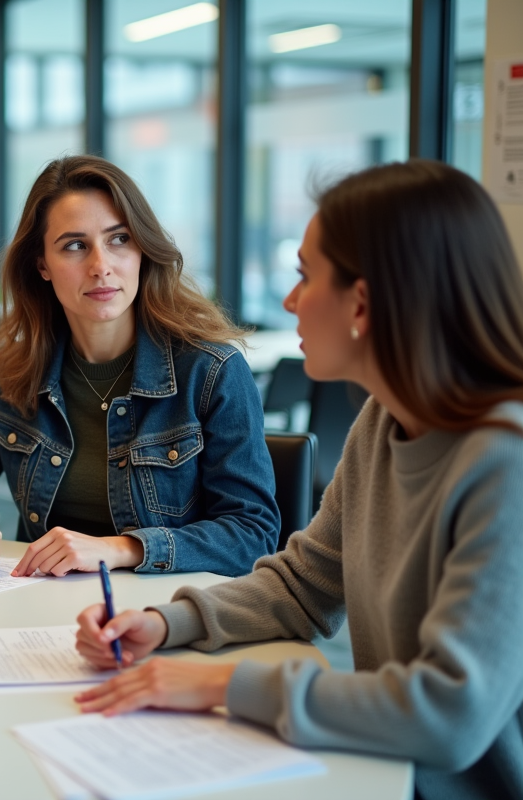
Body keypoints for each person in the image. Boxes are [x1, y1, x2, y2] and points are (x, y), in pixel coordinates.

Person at [74, 160, 523, 799]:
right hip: (377, 766)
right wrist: (167, 623)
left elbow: (449, 716)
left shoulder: (504, 462)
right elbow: (303, 585)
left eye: (306, 277)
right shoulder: (383, 421)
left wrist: (220, 685)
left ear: (361, 303)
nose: (290, 302)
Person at [0, 155, 278, 577]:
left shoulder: (211, 372)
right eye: (75, 245)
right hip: (38, 602)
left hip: (163, 608)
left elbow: (253, 534)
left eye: (119, 239)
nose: (101, 266)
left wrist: (119, 549)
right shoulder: (20, 372)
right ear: (42, 265)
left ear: (142, 250)